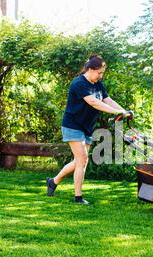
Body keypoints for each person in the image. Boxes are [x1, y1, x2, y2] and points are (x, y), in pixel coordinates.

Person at [46, 54, 132, 204]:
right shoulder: (79, 83)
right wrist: (116, 112)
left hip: (86, 126)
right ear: (90, 69)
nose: (101, 76)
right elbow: (94, 102)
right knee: (82, 160)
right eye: (99, 72)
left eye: (102, 73)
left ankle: (53, 181)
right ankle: (77, 198)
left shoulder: (98, 84)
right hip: (73, 125)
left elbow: (107, 100)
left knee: (79, 161)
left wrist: (124, 111)